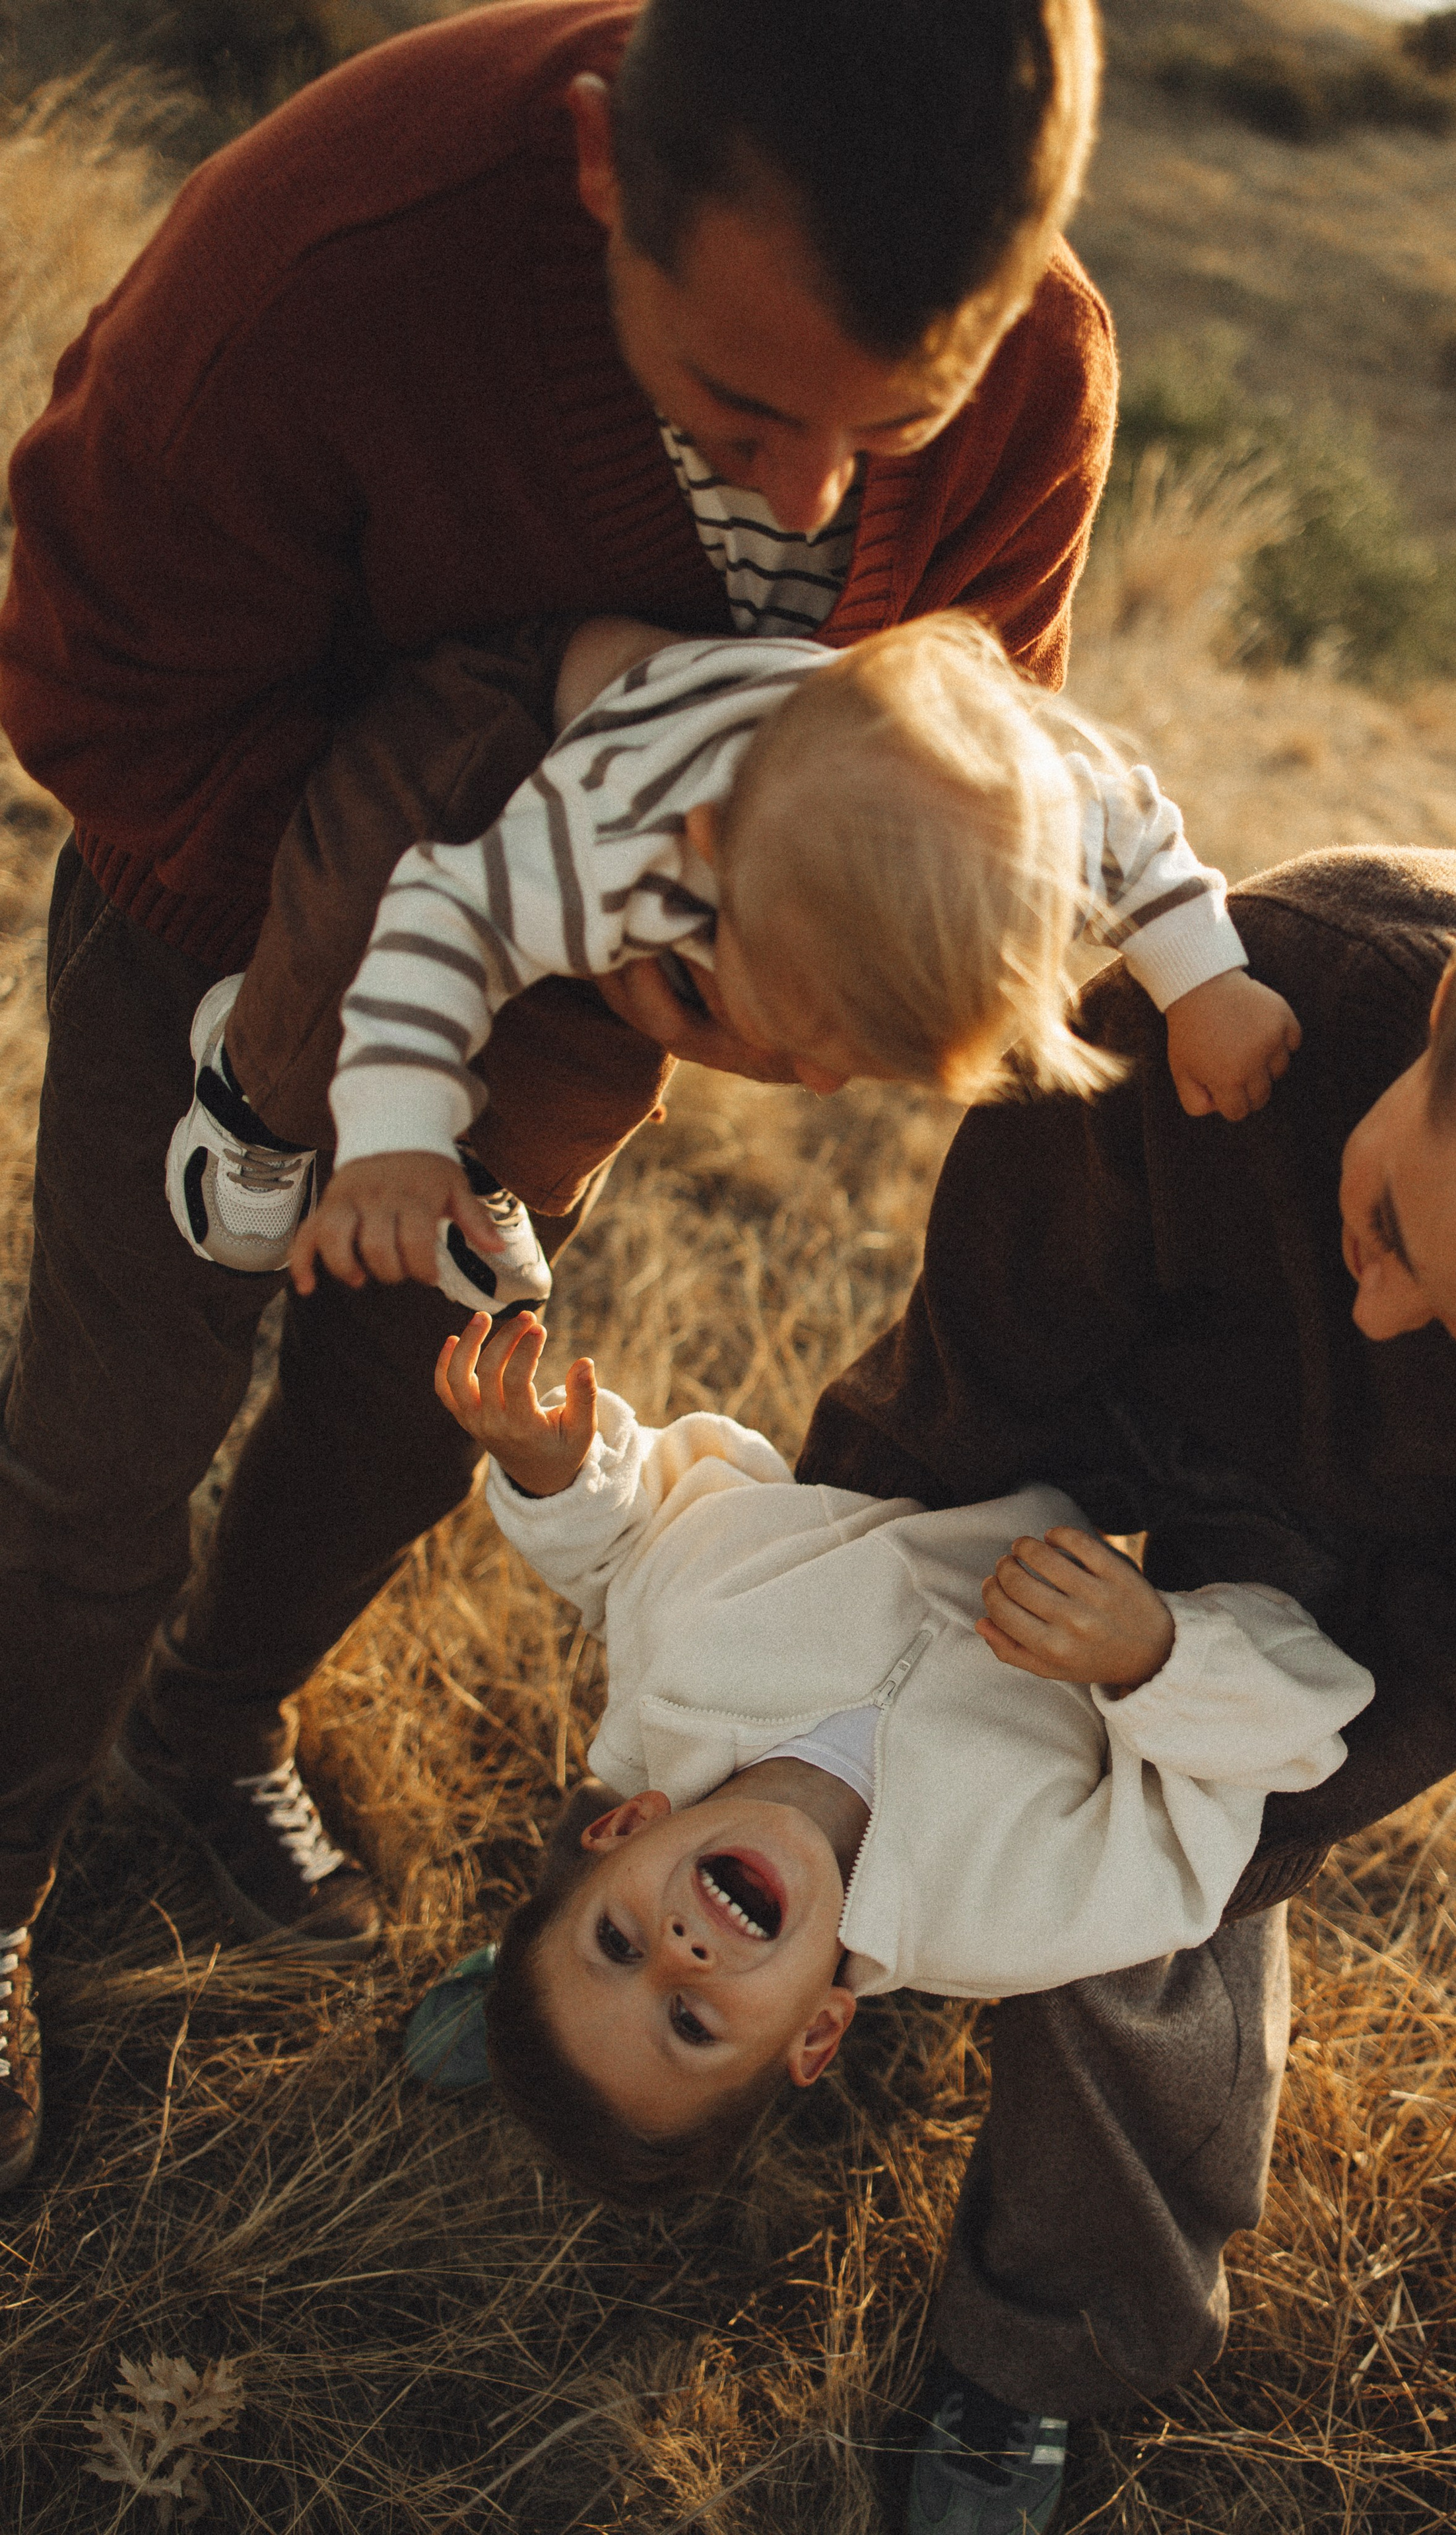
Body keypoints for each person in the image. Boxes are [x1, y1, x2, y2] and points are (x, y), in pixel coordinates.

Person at [0, 0, 1115, 2195]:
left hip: (599, 1009)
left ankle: (207, 1737)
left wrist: (721, 955)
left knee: (408, 1408)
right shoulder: (332, 255)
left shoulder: (1046, 379)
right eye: (739, 407)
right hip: (219, 929)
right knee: (109, 1440)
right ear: (610, 173)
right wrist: (393, 965)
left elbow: (968, 744)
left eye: (893, 422)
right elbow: (88, 677)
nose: (814, 497)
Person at [787, 844, 1456, 2532]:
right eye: (1386, 1221)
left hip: (1359, 1547)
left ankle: (1044, 2342)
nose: (1377, 1303)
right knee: (840, 1613)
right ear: (1431, 1026)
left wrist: (1184, 1825)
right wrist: (860, 1597)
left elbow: (1437, 1657)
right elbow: (978, 1347)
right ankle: (678, 1942)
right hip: (1096, 1343)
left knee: (1154, 1905)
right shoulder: (1254, 978)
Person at [411, 1306, 1372, 2204]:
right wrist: (1156, 1657)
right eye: (692, 2024)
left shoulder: (676, 1680)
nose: (680, 1953)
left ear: (623, 1824)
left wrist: (557, 1480)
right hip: (1233, 1510)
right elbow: (1282, 1750)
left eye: (617, 1943)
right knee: (1309, 1416)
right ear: (820, 2029)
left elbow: (635, 1552)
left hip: (985, 1408)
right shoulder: (1021, 1912)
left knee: (1012, 1238)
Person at [275, 609, 1298, 1296]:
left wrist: (1206, 976)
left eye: (849, 1066)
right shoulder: (610, 844)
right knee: (519, 1006)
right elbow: (438, 923)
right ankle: (260, 1088)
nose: (815, 1083)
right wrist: (393, 1142)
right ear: (712, 859)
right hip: (561, 686)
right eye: (816, 1040)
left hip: (807, 736)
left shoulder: (1040, 825)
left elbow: (1128, 821)